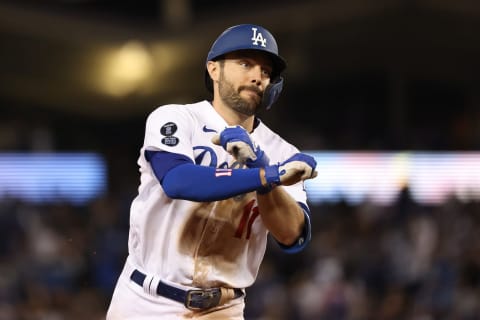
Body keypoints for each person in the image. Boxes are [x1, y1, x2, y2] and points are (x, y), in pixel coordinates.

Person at [106, 24, 318, 319]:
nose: (257, 76)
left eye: (266, 71)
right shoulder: (177, 118)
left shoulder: (282, 153)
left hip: (223, 308)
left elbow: (292, 236)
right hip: (146, 300)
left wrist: (263, 170)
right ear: (213, 69)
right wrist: (265, 175)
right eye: (245, 63)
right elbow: (178, 181)